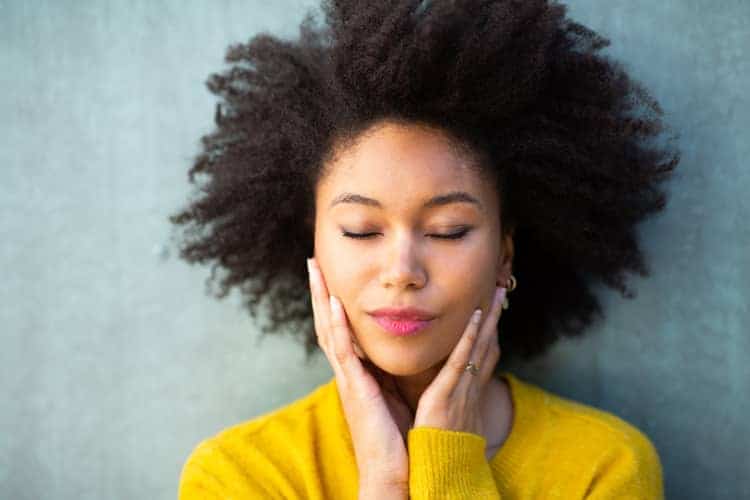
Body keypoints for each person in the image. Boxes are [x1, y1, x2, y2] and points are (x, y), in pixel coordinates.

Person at [172, 0, 680, 498]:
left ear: (505, 254)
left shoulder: (603, 467)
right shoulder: (238, 477)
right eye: (360, 230)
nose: (402, 271)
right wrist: (382, 483)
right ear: (314, 247)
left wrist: (450, 466)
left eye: (447, 230)